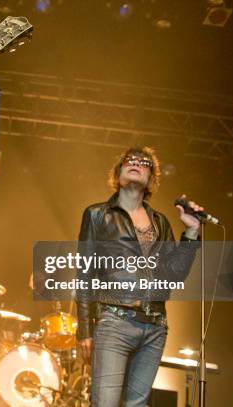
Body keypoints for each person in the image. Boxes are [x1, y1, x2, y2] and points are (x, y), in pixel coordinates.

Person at [74, 147, 203, 406]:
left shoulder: (161, 222)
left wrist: (192, 231)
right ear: (118, 172)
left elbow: (174, 274)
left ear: (151, 177)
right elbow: (84, 273)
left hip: (155, 326)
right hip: (114, 322)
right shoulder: (97, 215)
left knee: (137, 405)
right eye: (129, 161)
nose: (136, 163)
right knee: (105, 403)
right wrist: (85, 330)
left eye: (144, 162)